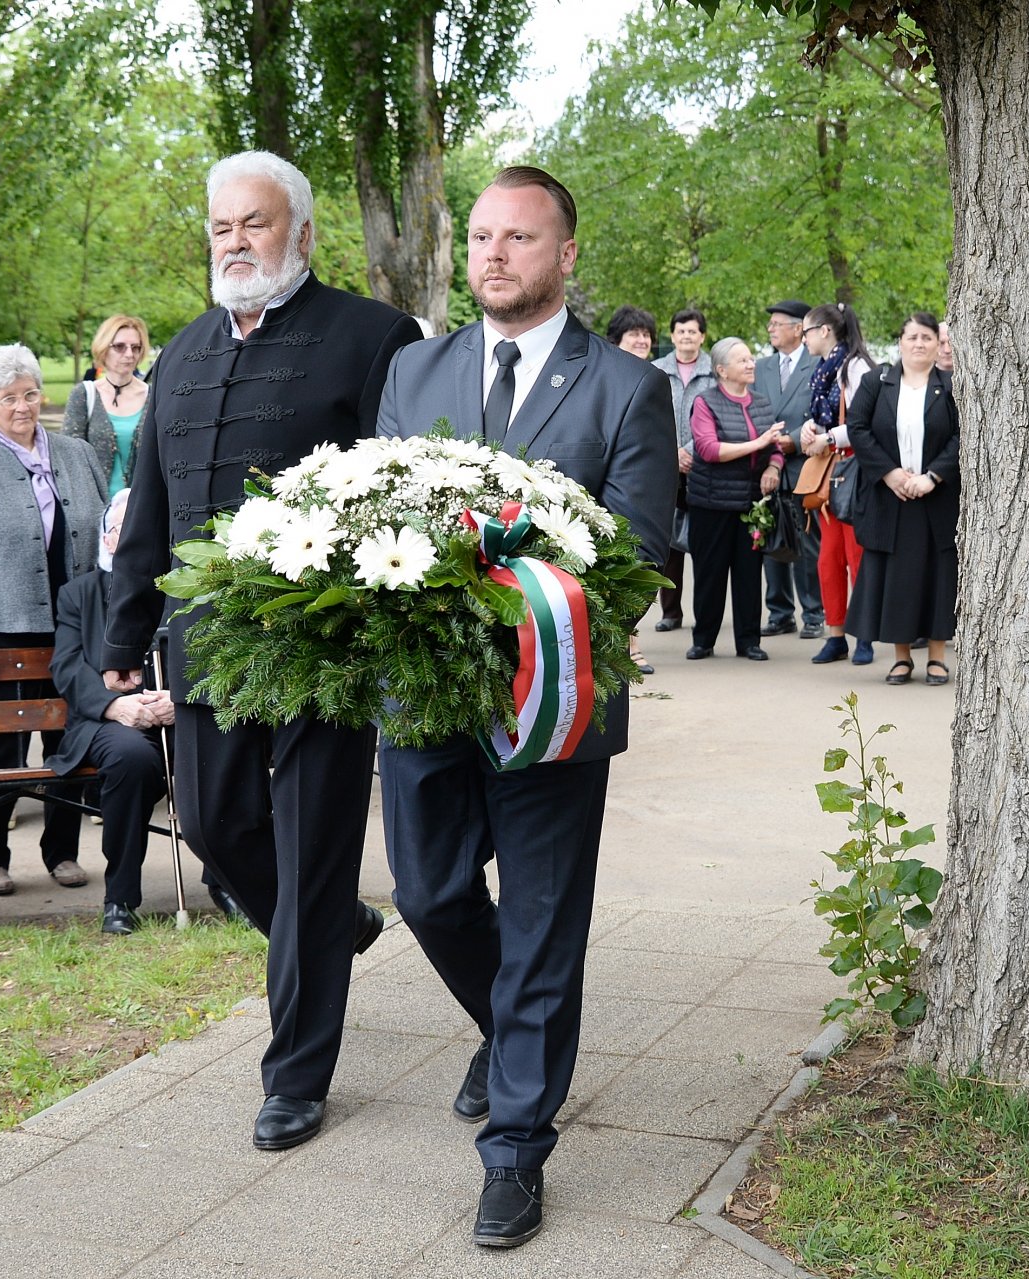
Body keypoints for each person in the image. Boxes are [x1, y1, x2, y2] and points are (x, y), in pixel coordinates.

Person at [375, 165, 677, 1249]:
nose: (494, 255)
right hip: (425, 696)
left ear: (566, 256)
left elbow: (642, 551)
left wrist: (529, 597)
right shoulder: (415, 369)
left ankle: (515, 1146)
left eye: (520, 238)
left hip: (556, 698)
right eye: (484, 238)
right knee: (427, 890)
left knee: (544, 922)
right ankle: (512, 1031)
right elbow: (380, 516)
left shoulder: (626, 388)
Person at [103, 149, 421, 1155]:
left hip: (327, 643)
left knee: (316, 851)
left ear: (303, 234)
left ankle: (295, 1073)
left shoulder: (376, 336)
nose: (236, 243)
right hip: (206, 644)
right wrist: (121, 630)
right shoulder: (183, 353)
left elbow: (400, 491)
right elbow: (150, 501)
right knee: (212, 822)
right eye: (221, 228)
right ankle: (331, 929)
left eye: (256, 224)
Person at [0, 343, 107, 896]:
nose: (23, 407)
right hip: (6, 629)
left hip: (76, 626)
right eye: (8, 398)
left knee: (69, 741)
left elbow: (106, 540)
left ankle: (61, 853)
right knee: (1, 746)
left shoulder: (77, 455)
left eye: (30, 394)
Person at [48, 490, 172, 935]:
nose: (136, 537)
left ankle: (226, 883)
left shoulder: (180, 589)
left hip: (178, 712)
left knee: (220, 748)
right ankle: (119, 898)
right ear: (107, 539)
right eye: (124, 529)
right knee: (131, 758)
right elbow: (67, 666)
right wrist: (116, 705)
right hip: (106, 721)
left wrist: (179, 698)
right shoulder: (78, 594)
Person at [845, 312, 959, 686]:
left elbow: (962, 436)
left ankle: (938, 657)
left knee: (937, 577)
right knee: (895, 580)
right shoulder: (876, 382)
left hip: (934, 498)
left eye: (927, 337)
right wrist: (890, 473)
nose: (920, 344)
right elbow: (858, 429)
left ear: (937, 344)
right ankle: (901, 657)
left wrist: (932, 476)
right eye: (912, 337)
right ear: (900, 342)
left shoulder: (950, 385)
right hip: (888, 498)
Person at [686, 337, 786, 661]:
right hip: (711, 503)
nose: (750, 364)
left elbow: (776, 448)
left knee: (748, 574)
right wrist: (759, 444)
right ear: (721, 370)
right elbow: (709, 450)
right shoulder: (705, 402)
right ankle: (704, 639)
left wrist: (773, 466)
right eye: (742, 360)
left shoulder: (761, 402)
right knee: (709, 574)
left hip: (751, 504)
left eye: (750, 358)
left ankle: (749, 641)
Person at [798, 302, 878, 666]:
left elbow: (866, 421)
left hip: (853, 471)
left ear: (825, 331)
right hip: (831, 472)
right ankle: (836, 633)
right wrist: (808, 429)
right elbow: (822, 417)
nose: (804, 339)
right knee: (829, 561)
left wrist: (828, 439)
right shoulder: (824, 368)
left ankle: (865, 636)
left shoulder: (855, 366)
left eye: (807, 332)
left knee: (855, 557)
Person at [754, 300, 823, 641]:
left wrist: (793, 440)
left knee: (807, 544)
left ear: (799, 329)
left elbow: (823, 414)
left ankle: (813, 613)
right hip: (767, 466)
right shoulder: (762, 367)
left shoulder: (818, 364)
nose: (771, 329)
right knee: (771, 539)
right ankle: (780, 613)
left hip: (803, 466)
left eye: (778, 323)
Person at [604, 306, 659, 673]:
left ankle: (630, 635)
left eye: (645, 335)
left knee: (639, 558)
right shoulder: (605, 375)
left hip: (646, 481)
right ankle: (624, 641)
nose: (641, 340)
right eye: (633, 334)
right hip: (608, 482)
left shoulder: (655, 377)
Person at [651, 309, 711, 632]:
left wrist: (690, 451)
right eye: (681, 331)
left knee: (703, 542)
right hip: (666, 467)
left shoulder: (715, 371)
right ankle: (671, 612)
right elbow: (649, 418)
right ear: (672, 336)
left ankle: (705, 614)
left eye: (693, 331)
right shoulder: (656, 371)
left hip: (704, 466)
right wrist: (673, 453)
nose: (686, 336)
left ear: (702, 336)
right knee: (669, 544)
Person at [62, 315, 153, 496]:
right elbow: (68, 458)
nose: (129, 354)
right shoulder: (84, 394)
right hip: (95, 511)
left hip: (141, 510)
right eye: (120, 347)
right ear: (104, 348)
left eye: (135, 347)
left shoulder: (153, 396)